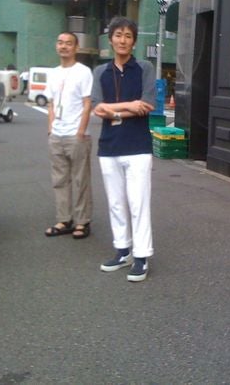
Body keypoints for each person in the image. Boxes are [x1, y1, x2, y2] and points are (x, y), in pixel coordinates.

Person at [92, 17, 156, 282]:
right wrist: (130, 106)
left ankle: (141, 256)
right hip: (109, 146)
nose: (122, 40)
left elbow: (148, 104)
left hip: (138, 146)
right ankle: (123, 251)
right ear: (110, 40)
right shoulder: (100, 71)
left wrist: (112, 110)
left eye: (128, 36)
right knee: (116, 203)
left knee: (138, 203)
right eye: (118, 35)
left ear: (134, 42)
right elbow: (97, 108)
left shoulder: (144, 68)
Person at [44, 32, 93, 239]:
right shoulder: (53, 73)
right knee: (59, 180)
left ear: (76, 47)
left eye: (68, 43)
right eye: (60, 43)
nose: (63, 46)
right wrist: (51, 129)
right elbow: (51, 103)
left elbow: (87, 103)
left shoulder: (83, 72)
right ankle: (64, 219)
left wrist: (81, 131)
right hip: (57, 134)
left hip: (76, 134)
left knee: (81, 180)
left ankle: (82, 222)